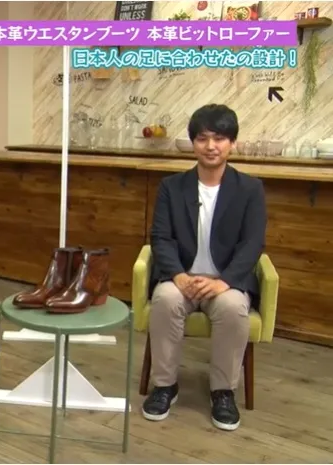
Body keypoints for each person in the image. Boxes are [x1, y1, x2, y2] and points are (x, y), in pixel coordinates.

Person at [144, 104, 266, 431]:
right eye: (202, 138)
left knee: (232, 308)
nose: (211, 146)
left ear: (232, 143)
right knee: (165, 299)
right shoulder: (172, 187)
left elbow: (252, 243)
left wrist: (225, 281)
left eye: (220, 138)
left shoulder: (250, 189)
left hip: (226, 282)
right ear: (193, 143)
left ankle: (223, 392)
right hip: (181, 277)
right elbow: (161, 238)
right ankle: (165, 386)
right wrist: (179, 276)